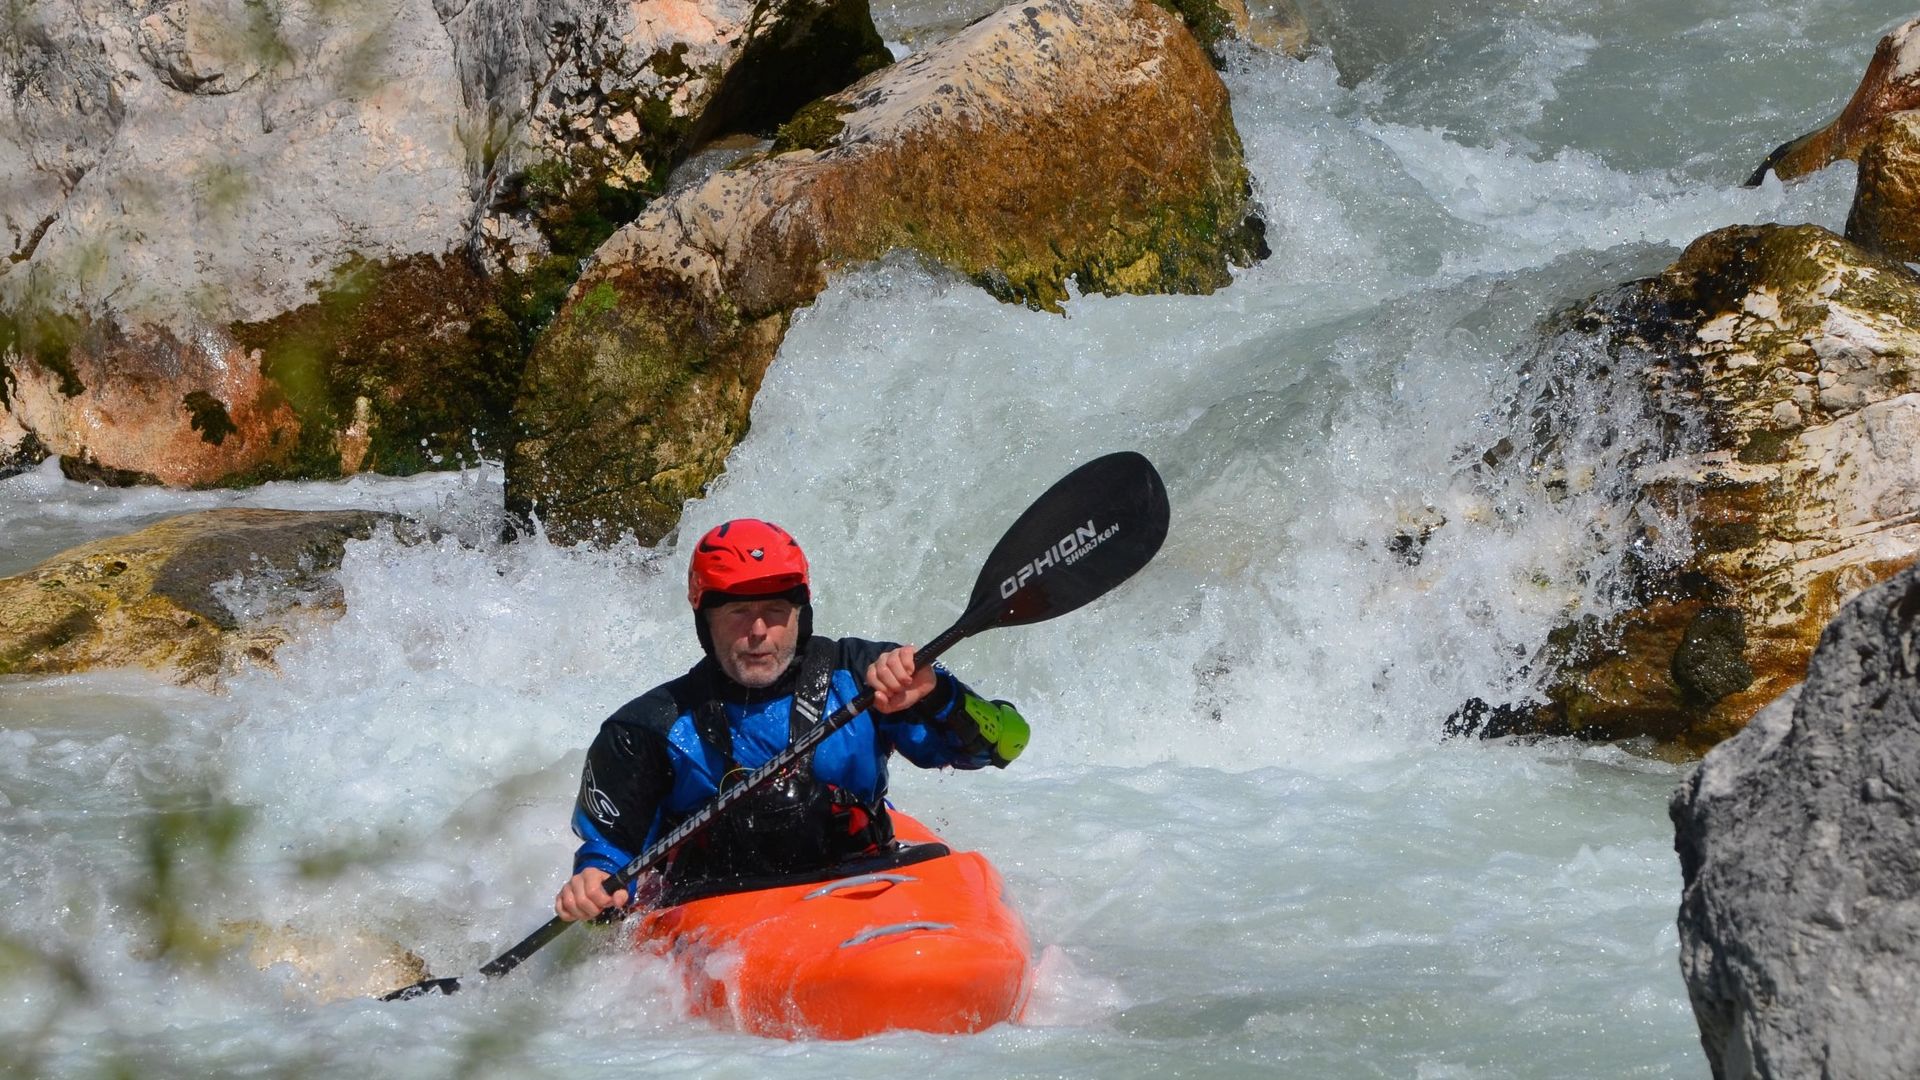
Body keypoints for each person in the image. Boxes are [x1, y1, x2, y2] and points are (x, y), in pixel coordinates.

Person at [554, 518, 1030, 920]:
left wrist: (938, 695)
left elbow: (1008, 743)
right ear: (705, 620)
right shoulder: (644, 731)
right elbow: (610, 859)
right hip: (723, 911)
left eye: (775, 611)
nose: (759, 632)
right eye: (739, 611)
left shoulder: (873, 677)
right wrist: (594, 883)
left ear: (801, 614)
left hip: (861, 886)